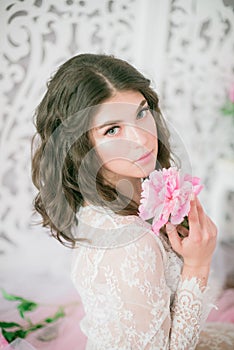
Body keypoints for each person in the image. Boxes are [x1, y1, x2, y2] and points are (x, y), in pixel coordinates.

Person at [31, 53, 234, 349]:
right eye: (112, 129)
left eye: (141, 113)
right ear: (81, 147)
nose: (141, 139)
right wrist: (197, 266)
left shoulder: (118, 197)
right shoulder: (129, 243)